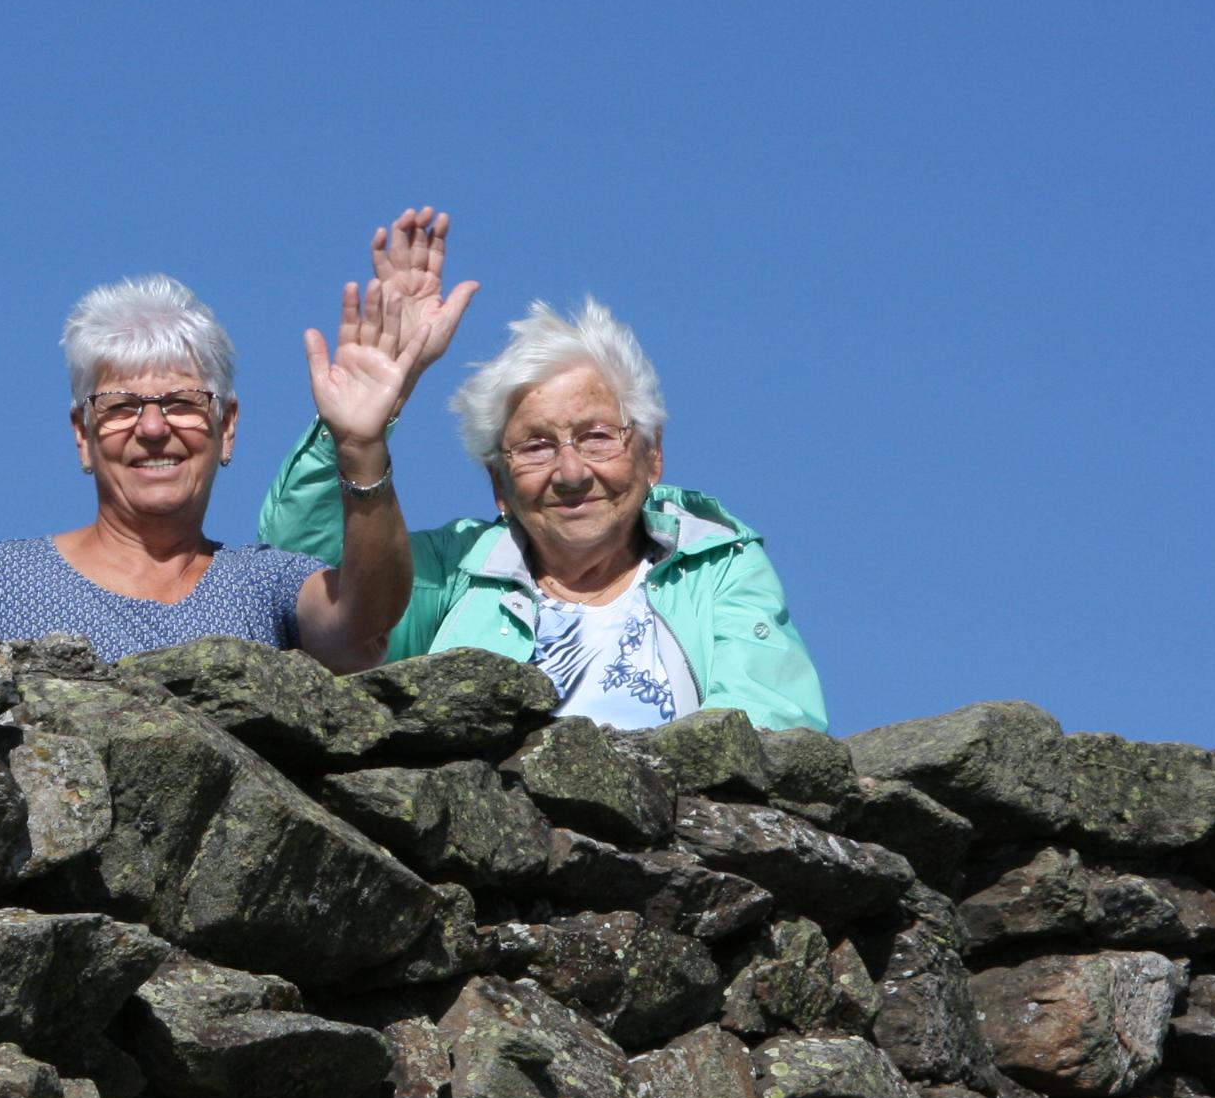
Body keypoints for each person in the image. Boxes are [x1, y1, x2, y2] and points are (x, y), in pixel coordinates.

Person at [257, 211, 827, 731]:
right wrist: (363, 427)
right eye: (535, 447)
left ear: (651, 455)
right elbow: (297, 580)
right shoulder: (450, 573)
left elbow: (770, 725)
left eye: (597, 436)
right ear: (499, 485)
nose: (571, 472)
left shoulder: (716, 565)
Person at [0, 267, 470, 668]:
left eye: (182, 403)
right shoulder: (1, 582)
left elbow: (364, 621)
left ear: (226, 427)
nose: (152, 428)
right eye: (120, 406)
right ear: (82, 436)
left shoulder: (265, 583)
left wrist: (360, 446)